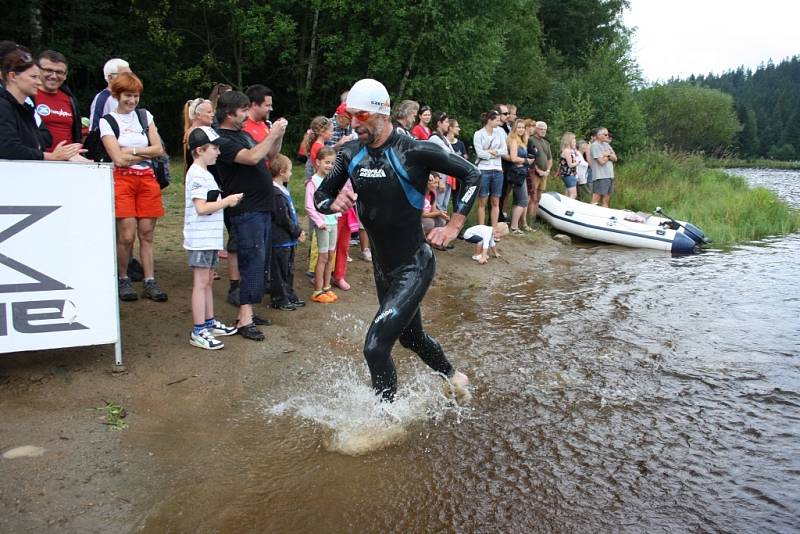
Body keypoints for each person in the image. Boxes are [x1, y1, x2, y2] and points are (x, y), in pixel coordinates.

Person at [314, 78, 480, 402]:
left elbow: (472, 174)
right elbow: (322, 194)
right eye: (350, 116)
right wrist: (331, 204)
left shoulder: (414, 151)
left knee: (375, 347)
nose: (354, 124)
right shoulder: (350, 153)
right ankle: (453, 376)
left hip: (414, 265)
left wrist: (454, 226)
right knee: (412, 338)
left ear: (382, 114)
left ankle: (385, 418)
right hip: (382, 267)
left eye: (361, 116)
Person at [212, 90, 288, 341]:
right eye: (243, 110)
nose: (247, 115)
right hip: (246, 210)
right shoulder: (221, 140)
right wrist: (272, 134)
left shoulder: (243, 135)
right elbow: (252, 157)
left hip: (261, 207)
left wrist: (278, 137)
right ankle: (244, 320)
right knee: (251, 262)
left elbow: (268, 155)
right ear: (228, 113)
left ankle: (249, 313)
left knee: (260, 261)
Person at [99, 72, 168, 302]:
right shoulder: (107, 121)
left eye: (136, 96)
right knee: (127, 235)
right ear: (117, 95)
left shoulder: (144, 116)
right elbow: (117, 159)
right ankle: (123, 278)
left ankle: (149, 280)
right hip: (122, 179)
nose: (132, 100)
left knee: (146, 233)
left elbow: (159, 149)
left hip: (147, 179)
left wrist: (132, 151)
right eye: (128, 95)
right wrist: (140, 153)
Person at [183, 126, 243, 349]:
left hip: (208, 239)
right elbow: (201, 208)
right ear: (200, 150)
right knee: (200, 283)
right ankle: (198, 330)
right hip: (199, 239)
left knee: (207, 281)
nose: (218, 152)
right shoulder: (197, 174)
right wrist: (228, 201)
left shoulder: (205, 173)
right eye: (215, 148)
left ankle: (208, 322)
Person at [0, 44, 82, 161]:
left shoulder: (27, 107)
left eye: (38, 77)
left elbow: (45, 138)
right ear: (13, 76)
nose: (39, 82)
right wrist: (50, 156)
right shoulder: (3, 105)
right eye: (34, 77)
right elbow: (8, 148)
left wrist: (68, 152)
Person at [269, 154, 305, 311]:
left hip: (288, 240)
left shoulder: (283, 189)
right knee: (279, 271)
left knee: (289, 269)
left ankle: (289, 294)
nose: (291, 173)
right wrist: (297, 231)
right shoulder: (275, 194)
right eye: (289, 171)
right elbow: (283, 218)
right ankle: (279, 298)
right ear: (282, 171)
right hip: (280, 240)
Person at [305, 146, 340, 304]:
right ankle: (317, 291)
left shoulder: (331, 181)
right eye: (327, 162)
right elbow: (309, 206)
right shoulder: (313, 182)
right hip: (323, 224)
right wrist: (319, 222)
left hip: (333, 222)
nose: (330, 166)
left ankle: (327, 287)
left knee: (331, 256)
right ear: (318, 162)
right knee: (323, 256)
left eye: (332, 163)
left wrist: (338, 211)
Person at [34, 50, 82, 151]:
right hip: (37, 161)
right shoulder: (28, 97)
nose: (54, 76)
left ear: (65, 75)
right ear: (37, 70)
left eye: (59, 72)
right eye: (48, 70)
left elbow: (76, 133)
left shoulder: (70, 99)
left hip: (68, 162)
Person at [472, 109, 507, 229]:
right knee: (482, 201)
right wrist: (492, 154)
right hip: (484, 169)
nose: (499, 122)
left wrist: (494, 152)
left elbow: (504, 150)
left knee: (496, 201)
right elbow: (480, 153)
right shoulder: (478, 134)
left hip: (497, 170)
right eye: (497, 120)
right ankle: (481, 229)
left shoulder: (500, 133)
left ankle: (494, 229)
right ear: (490, 120)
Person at [505, 119, 532, 233]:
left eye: (522, 128)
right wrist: (526, 160)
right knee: (523, 201)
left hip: (521, 172)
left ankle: (514, 226)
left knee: (518, 201)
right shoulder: (514, 140)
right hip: (516, 173)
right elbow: (513, 158)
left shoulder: (521, 140)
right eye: (519, 127)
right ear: (514, 129)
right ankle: (514, 227)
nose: (521, 130)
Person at [89, 58, 130, 131]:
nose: (130, 78)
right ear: (111, 78)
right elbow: (94, 130)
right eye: (125, 75)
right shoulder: (103, 99)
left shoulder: (131, 98)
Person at [426, 110, 456, 211]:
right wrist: (440, 181)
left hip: (447, 176)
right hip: (440, 177)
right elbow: (448, 154)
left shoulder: (443, 138)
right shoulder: (434, 138)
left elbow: (453, 153)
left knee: (444, 206)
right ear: (439, 123)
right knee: (438, 205)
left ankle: (443, 226)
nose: (448, 124)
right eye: (446, 122)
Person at [527, 120, 552, 222]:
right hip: (534, 173)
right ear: (536, 129)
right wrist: (538, 170)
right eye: (541, 129)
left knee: (538, 197)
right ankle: (527, 220)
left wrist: (548, 170)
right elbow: (530, 157)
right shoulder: (531, 140)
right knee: (532, 197)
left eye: (544, 129)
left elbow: (550, 159)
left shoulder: (546, 142)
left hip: (544, 174)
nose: (543, 131)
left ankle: (533, 220)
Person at [181, 98, 214, 172]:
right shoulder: (195, 134)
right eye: (209, 112)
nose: (213, 114)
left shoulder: (202, 130)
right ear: (198, 115)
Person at [590, 127, 617, 207]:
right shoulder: (595, 145)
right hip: (600, 176)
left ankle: (604, 215)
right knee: (596, 198)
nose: (607, 136)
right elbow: (601, 162)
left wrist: (607, 155)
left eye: (607, 134)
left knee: (606, 199)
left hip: (609, 175)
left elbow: (615, 158)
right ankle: (590, 214)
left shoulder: (607, 144)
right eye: (605, 134)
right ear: (599, 135)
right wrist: (609, 156)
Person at [558, 132, 579, 199]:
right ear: (569, 141)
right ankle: (569, 208)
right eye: (574, 141)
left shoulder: (569, 150)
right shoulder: (567, 151)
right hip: (568, 174)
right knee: (573, 194)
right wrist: (577, 163)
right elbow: (570, 165)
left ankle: (564, 207)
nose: (575, 142)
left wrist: (575, 150)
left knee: (567, 194)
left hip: (568, 174)